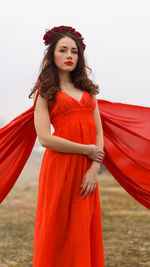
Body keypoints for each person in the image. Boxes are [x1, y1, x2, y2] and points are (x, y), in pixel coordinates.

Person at [30, 25, 105, 267]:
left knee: (82, 232)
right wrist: (87, 150)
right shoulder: (46, 92)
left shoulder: (88, 91)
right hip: (59, 168)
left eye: (74, 51)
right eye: (63, 50)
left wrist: (94, 168)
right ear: (52, 55)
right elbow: (45, 139)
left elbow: (99, 132)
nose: (70, 55)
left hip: (87, 171)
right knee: (57, 229)